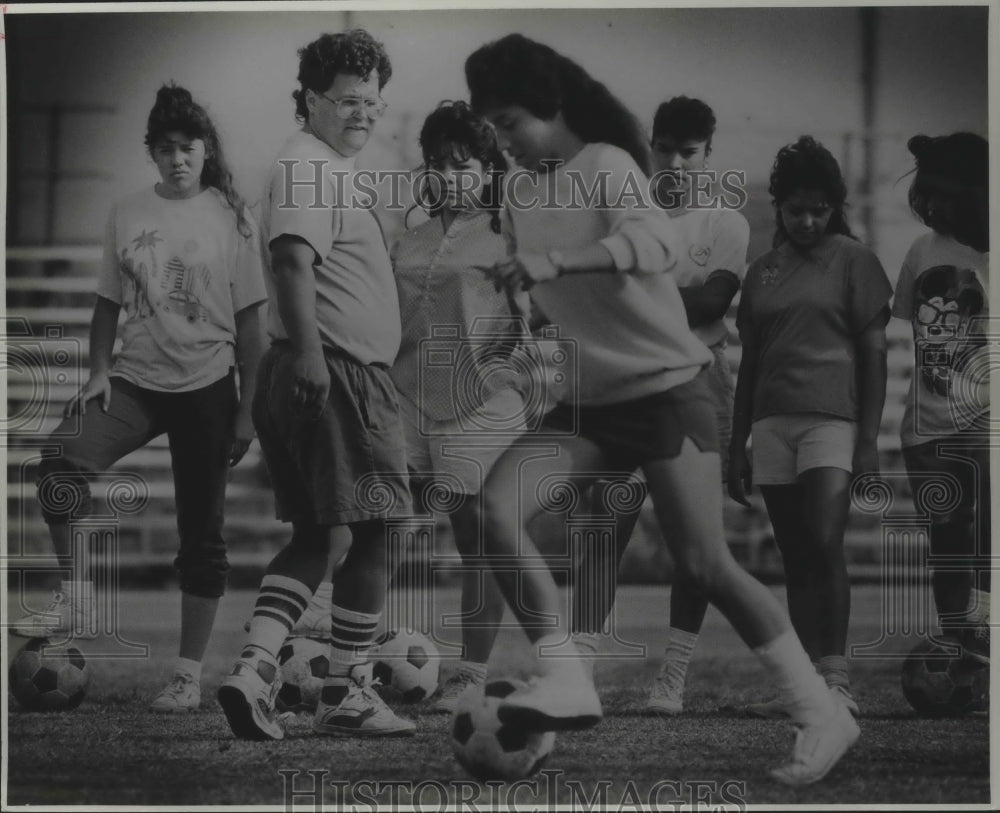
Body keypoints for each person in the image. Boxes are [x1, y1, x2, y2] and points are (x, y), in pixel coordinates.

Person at [466, 34, 858, 786]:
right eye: (494, 128)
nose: (504, 141)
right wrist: (520, 312)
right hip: (590, 401)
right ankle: (566, 675)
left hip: (667, 392)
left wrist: (553, 263)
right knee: (493, 508)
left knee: (706, 565)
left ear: (550, 108)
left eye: (511, 122)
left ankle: (821, 710)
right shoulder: (517, 194)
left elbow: (646, 245)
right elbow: (553, 304)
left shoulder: (608, 165)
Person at [14, 85, 267, 714]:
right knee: (59, 459)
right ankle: (76, 594)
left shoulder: (232, 216)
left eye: (188, 148)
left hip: (208, 387)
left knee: (201, 537)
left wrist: (246, 410)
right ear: (151, 153)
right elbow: (106, 303)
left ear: (205, 151)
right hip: (135, 381)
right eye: (165, 149)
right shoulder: (126, 211)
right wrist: (99, 369)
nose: (178, 159)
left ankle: (185, 675)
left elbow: (254, 326)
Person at [217, 29, 415, 740]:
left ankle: (255, 668)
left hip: (311, 365)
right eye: (345, 99)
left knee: (316, 535)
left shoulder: (322, 165)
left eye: (371, 99)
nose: (362, 112)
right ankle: (348, 690)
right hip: (334, 370)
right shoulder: (309, 165)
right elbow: (293, 261)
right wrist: (309, 355)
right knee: (380, 531)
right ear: (307, 99)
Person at [567, 96, 751, 716]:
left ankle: (672, 676)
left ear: (707, 155)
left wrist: (635, 287)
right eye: (664, 147)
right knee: (603, 529)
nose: (673, 161)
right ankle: (580, 670)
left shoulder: (725, 222)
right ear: (650, 146)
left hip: (698, 381)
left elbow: (710, 307)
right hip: (625, 378)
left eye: (688, 151)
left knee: (695, 543)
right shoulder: (623, 213)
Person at [729, 136, 892, 718]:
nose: (806, 220)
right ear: (778, 206)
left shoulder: (856, 260)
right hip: (771, 424)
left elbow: (875, 355)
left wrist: (869, 441)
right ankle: (807, 686)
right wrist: (736, 443)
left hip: (833, 420)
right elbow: (750, 361)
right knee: (796, 556)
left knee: (824, 542)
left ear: (834, 207)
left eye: (818, 209)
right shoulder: (762, 272)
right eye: (795, 209)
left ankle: (836, 676)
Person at [389, 101, 529, 712]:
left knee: (477, 540)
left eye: (463, 163)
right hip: (406, 395)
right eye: (438, 163)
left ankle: (470, 672)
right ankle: (345, 655)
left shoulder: (508, 233)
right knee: (378, 523)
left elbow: (538, 315)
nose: (449, 175)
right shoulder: (410, 237)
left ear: (489, 167)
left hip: (481, 403)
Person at [892, 132, 989, 663]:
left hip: (987, 420)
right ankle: (960, 651)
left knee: (988, 546)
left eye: (943, 194)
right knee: (948, 547)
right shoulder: (921, 250)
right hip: (928, 425)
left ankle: (986, 645)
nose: (931, 205)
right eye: (925, 194)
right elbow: (908, 331)